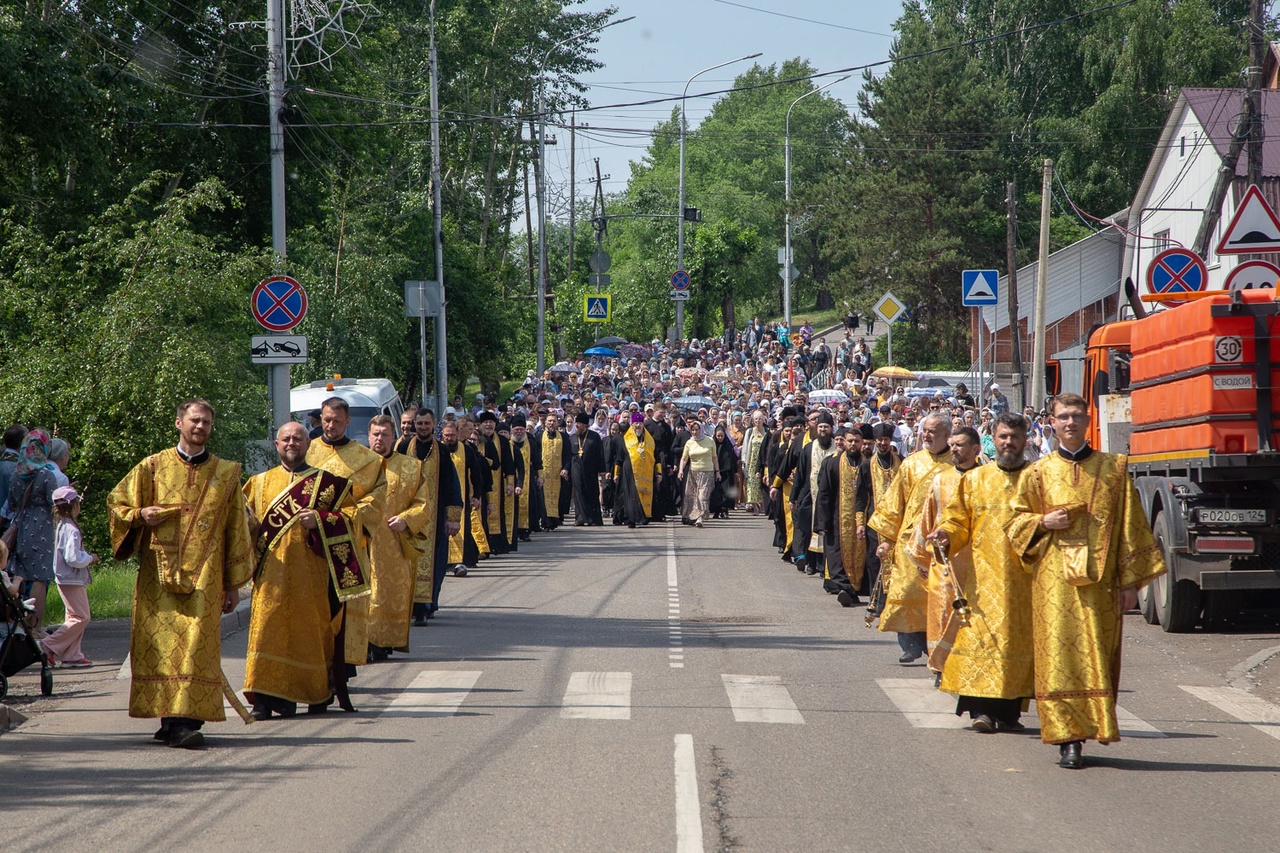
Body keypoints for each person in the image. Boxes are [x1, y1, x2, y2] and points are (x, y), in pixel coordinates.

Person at [1007, 393, 1165, 769]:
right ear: (1052, 421)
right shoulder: (1037, 473)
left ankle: (1094, 726)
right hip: (1053, 584)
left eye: (1077, 416)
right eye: (1063, 417)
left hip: (1101, 584)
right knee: (1058, 657)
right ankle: (1068, 739)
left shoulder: (1114, 468)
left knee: (1094, 654)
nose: (1070, 423)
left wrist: (1131, 583)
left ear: (1087, 419)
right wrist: (1042, 522)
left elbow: (1131, 526)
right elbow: (1014, 524)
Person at [107, 399, 254, 748]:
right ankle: (168, 720)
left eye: (206, 422)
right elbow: (117, 503)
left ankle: (186, 723)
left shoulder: (226, 473)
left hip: (207, 576)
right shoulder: (153, 466)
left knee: (195, 647)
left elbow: (237, 528)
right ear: (178, 423)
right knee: (160, 646)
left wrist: (234, 585)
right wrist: (142, 514)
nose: (200, 426)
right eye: (194, 420)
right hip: (158, 577)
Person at [242, 422, 363, 718]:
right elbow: (245, 525)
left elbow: (353, 517)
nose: (292, 443)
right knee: (266, 633)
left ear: (309, 444)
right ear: (276, 444)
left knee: (311, 633)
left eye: (298, 438)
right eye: (286, 439)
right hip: (271, 577)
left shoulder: (329, 484)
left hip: (313, 576)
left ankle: (314, 694)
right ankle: (265, 699)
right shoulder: (257, 483)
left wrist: (322, 520)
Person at [927, 413, 1036, 734]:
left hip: (1023, 579)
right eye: (1003, 436)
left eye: (1014, 437)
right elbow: (958, 520)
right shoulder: (975, 480)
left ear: (1024, 440)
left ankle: (1009, 711)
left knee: (1016, 644)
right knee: (980, 641)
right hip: (983, 578)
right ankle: (981, 711)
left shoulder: (1036, 477)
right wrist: (946, 534)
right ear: (994, 437)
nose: (1008, 442)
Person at [306, 397, 386, 671]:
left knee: (344, 603)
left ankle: (341, 663)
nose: (331, 425)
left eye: (337, 421)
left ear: (347, 422)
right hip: (309, 542)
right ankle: (314, 659)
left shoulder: (368, 460)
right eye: (327, 420)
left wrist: (341, 518)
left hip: (347, 542)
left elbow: (376, 500)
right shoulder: (306, 450)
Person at [868, 412, 953, 665]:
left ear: (947, 435)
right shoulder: (911, 464)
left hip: (944, 542)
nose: (927, 435)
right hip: (909, 541)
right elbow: (895, 503)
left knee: (938, 598)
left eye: (933, 431)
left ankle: (935, 646)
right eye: (924, 430)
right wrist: (887, 539)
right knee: (905, 592)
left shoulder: (958, 464)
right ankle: (909, 644)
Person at [907, 426, 983, 678]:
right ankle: (941, 667)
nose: (954, 449)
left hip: (977, 561)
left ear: (975, 449)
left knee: (974, 615)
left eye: (960, 445)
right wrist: (921, 556)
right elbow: (927, 518)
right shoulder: (941, 479)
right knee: (941, 612)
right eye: (952, 444)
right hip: (943, 560)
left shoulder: (986, 477)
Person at [365, 415, 436, 659]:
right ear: (368, 436)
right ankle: (366, 644)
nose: (379, 439)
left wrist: (406, 519)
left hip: (394, 546)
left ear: (393, 437)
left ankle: (383, 642)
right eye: (375, 434)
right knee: (366, 595)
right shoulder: (358, 465)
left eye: (385, 434)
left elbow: (423, 504)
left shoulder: (410, 467)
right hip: (360, 543)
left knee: (388, 595)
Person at [5, 429, 58, 635]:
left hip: (22, 529)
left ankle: (19, 624)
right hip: (42, 530)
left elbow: (10, 504)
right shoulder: (46, 474)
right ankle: (35, 625)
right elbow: (55, 503)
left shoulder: (17, 474)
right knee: (39, 578)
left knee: (20, 576)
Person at [41, 486, 98, 668]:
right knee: (82, 617)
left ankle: (72, 655)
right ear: (74, 506)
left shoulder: (62, 526)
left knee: (73, 617)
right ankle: (47, 645)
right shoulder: (71, 529)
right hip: (71, 578)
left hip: (65, 577)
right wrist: (90, 558)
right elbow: (73, 558)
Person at [777, 412, 840, 575]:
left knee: (827, 531)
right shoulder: (808, 449)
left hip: (831, 499)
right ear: (816, 429)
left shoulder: (837, 447)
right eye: (820, 427)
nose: (823, 430)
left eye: (826, 427)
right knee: (808, 529)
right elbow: (799, 475)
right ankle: (811, 563)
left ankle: (823, 565)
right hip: (809, 495)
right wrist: (793, 498)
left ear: (831, 429)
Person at [442, 419, 485, 577]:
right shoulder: (437, 450)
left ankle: (459, 562)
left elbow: (476, 475)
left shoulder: (467, 450)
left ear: (457, 434)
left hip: (461, 499)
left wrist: (476, 496)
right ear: (442, 435)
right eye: (446, 435)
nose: (449, 438)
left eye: (452, 435)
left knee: (461, 530)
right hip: (440, 498)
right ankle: (444, 562)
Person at [475, 412, 517, 554]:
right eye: (485, 422)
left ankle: (497, 545)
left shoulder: (502, 441)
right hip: (479, 483)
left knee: (497, 513)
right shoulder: (475, 440)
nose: (488, 425)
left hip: (497, 483)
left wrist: (510, 483)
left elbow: (508, 464)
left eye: (491, 422)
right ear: (480, 425)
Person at [613, 413, 659, 528]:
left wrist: (658, 472)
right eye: (636, 423)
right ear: (632, 425)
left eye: (640, 423)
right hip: (629, 471)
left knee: (643, 494)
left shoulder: (650, 440)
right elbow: (619, 458)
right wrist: (616, 473)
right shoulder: (625, 439)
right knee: (631, 495)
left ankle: (643, 517)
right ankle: (631, 519)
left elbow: (656, 456)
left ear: (643, 424)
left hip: (645, 472)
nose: (638, 426)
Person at [567, 411, 605, 526]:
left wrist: (602, 470)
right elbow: (569, 455)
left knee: (592, 492)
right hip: (576, 468)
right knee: (578, 492)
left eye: (579, 423)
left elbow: (600, 454)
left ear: (585, 425)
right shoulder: (572, 438)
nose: (577, 425)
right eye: (576, 423)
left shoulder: (594, 436)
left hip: (591, 469)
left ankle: (593, 518)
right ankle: (580, 518)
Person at [677, 420, 716, 528]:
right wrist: (680, 470)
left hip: (707, 472)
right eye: (692, 430)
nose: (694, 432)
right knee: (693, 497)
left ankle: (700, 517)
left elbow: (714, 457)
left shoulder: (709, 440)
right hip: (693, 473)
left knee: (702, 496)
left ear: (701, 429)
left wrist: (717, 472)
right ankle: (696, 517)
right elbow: (684, 458)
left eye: (696, 430)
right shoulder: (689, 442)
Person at [508, 414, 539, 542]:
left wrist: (540, 477)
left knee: (529, 505)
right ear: (512, 430)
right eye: (517, 429)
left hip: (528, 479)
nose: (519, 432)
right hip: (510, 479)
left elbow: (538, 461)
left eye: (521, 429)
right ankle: (514, 531)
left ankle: (525, 531)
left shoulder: (531, 443)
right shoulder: (507, 443)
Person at [539, 413, 571, 530]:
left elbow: (568, 454)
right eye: (549, 421)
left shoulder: (563, 437)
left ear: (557, 423)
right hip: (544, 472)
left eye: (554, 421)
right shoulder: (539, 436)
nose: (551, 423)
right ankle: (546, 521)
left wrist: (566, 468)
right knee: (544, 497)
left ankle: (556, 520)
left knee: (558, 496)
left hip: (558, 473)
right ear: (545, 422)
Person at [709, 423, 739, 518]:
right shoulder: (712, 444)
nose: (720, 438)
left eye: (722, 435)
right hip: (715, 471)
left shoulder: (728, 445)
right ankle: (717, 511)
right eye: (718, 436)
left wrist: (735, 472)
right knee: (716, 492)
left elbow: (733, 459)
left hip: (727, 472)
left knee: (726, 492)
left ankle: (725, 510)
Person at [741, 410, 768, 513]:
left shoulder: (766, 431)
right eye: (756, 419)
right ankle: (754, 504)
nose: (758, 421)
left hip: (762, 460)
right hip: (752, 460)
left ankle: (762, 504)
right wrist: (744, 461)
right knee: (752, 483)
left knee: (761, 482)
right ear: (753, 420)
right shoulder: (749, 431)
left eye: (760, 419)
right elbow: (745, 446)